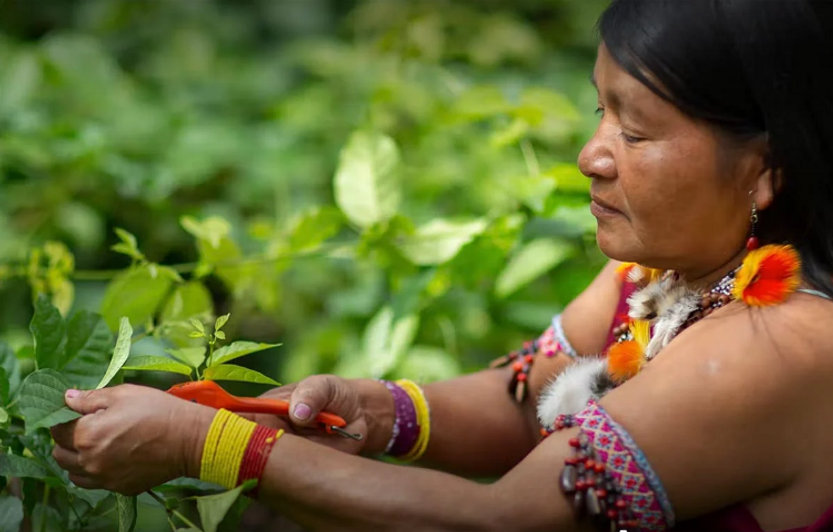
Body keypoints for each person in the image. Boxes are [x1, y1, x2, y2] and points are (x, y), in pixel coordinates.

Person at [50, 0, 833, 530]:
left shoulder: (772, 346)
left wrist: (203, 445)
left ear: (761, 168)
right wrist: (372, 410)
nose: (589, 155)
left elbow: (495, 521)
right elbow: (521, 402)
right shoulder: (670, 275)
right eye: (601, 111)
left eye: (634, 132)